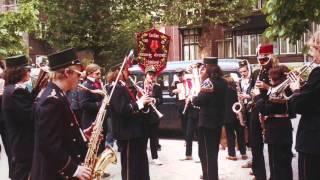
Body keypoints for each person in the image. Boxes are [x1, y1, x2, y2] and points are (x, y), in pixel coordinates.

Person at [31, 48, 91, 180]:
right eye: (78, 74)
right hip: (53, 174)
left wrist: (82, 134)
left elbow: (62, 129)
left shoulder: (58, 94)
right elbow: (48, 144)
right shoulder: (51, 101)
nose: (80, 78)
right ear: (67, 73)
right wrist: (74, 169)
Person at [108, 63, 153, 180]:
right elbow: (122, 110)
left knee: (140, 166)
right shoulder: (115, 88)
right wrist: (140, 102)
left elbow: (132, 107)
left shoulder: (123, 86)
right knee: (130, 169)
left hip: (135, 132)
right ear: (119, 71)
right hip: (127, 133)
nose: (129, 73)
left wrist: (144, 104)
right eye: (126, 70)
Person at [290, 30, 320, 180]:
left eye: (313, 50)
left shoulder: (317, 73)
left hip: (312, 143)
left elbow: (300, 106)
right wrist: (304, 88)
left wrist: (296, 90)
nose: (313, 56)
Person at [193, 57, 227, 180]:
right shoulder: (223, 82)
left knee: (205, 154)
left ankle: (209, 176)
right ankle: (211, 175)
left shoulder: (208, 82)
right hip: (217, 122)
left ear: (207, 67)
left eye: (204, 67)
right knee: (213, 153)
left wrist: (193, 97)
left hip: (206, 122)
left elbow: (199, 100)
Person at [257, 65, 293, 180]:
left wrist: (257, 96)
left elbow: (266, 109)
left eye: (270, 77)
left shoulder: (277, 90)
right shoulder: (287, 89)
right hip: (286, 126)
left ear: (273, 78)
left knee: (275, 163)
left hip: (275, 129)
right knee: (286, 163)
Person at [1, 55, 34, 180]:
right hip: (23, 144)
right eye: (27, 69)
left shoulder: (11, 89)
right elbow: (30, 116)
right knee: (23, 174)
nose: (29, 72)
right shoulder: (15, 91)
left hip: (20, 142)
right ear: (19, 71)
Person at [249, 44, 277, 180]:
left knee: (273, 149)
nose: (261, 63)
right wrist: (250, 95)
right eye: (259, 59)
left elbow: (279, 92)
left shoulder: (277, 71)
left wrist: (266, 87)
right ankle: (259, 175)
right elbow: (252, 90)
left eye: (263, 59)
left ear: (270, 57)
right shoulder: (256, 72)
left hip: (270, 111)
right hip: (256, 110)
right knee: (255, 145)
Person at [136, 66, 163, 165]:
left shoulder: (157, 86)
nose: (151, 76)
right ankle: (142, 158)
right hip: (142, 115)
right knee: (142, 137)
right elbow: (135, 98)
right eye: (149, 74)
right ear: (145, 75)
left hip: (153, 116)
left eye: (153, 74)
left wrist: (154, 100)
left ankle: (155, 157)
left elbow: (161, 100)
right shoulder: (139, 85)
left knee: (153, 137)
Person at [223, 75, 247, 161]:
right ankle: (243, 153)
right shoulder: (236, 90)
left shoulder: (224, 91)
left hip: (228, 116)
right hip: (238, 114)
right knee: (240, 135)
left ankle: (232, 154)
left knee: (230, 135)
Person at [237, 60, 255, 168]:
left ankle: (254, 161)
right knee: (248, 136)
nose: (243, 74)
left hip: (253, 110)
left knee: (253, 137)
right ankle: (252, 159)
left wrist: (247, 97)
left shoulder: (253, 80)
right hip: (245, 110)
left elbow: (259, 95)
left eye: (244, 71)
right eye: (241, 72)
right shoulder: (240, 82)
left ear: (249, 70)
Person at [169, 69, 192, 145]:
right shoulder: (176, 83)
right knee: (184, 123)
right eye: (179, 76)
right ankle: (186, 140)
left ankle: (190, 138)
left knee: (191, 123)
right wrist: (174, 91)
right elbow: (170, 93)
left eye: (181, 75)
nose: (180, 77)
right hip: (181, 105)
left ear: (184, 74)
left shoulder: (189, 81)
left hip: (190, 104)